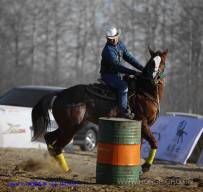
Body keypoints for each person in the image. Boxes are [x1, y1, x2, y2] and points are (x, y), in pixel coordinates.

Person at [100, 26, 144, 119]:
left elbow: (129, 58)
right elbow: (117, 67)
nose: (112, 41)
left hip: (117, 75)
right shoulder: (107, 51)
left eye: (113, 39)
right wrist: (134, 72)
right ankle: (123, 112)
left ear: (117, 36)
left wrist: (142, 68)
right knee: (123, 86)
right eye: (109, 39)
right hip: (108, 75)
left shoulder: (121, 44)